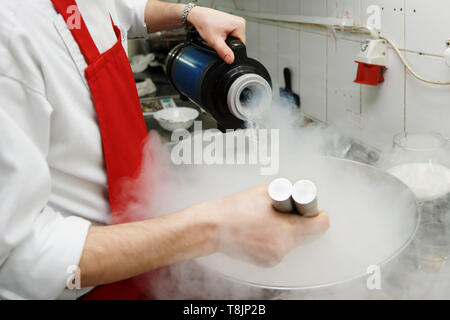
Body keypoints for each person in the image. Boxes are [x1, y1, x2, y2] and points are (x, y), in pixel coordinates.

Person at [0, 0, 329, 300]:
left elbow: (126, 10)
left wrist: (189, 13)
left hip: (144, 250)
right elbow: (16, 259)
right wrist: (213, 228)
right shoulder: (11, 29)